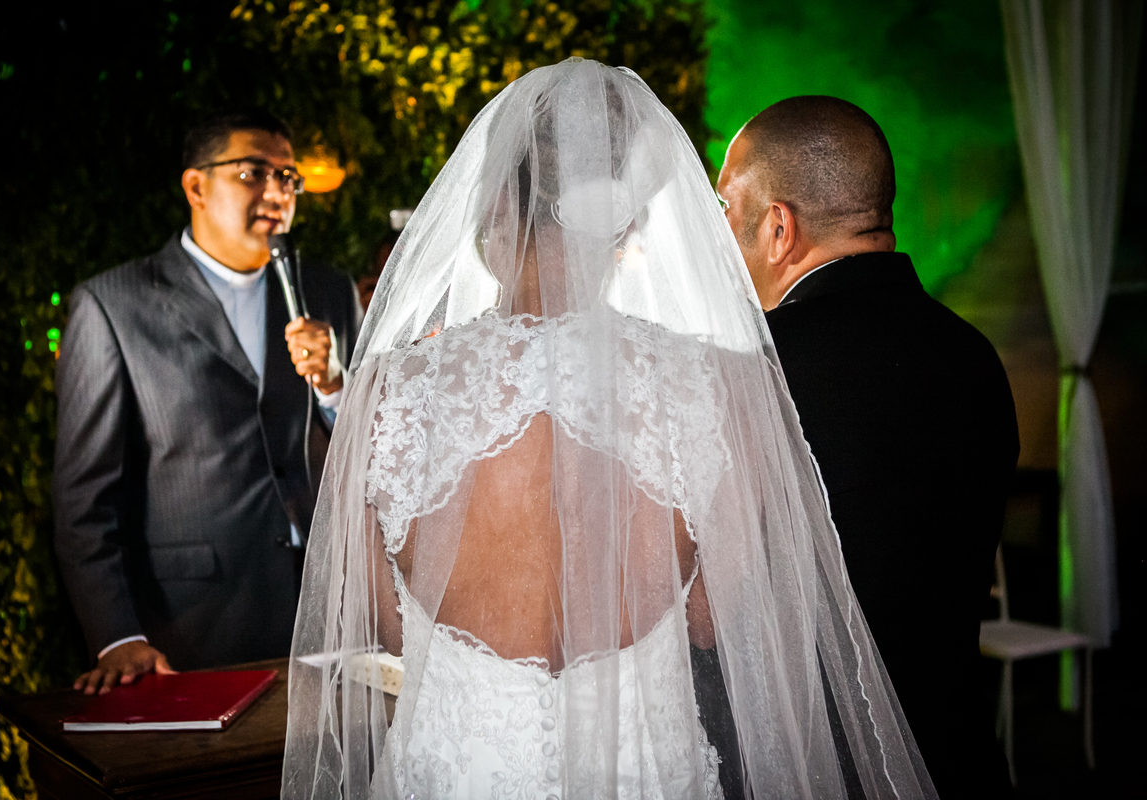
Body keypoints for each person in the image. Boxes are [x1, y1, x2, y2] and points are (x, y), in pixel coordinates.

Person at [283, 60, 937, 800]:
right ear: (624, 221)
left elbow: (382, 622)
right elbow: (709, 622)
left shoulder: (383, 393)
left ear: (490, 203)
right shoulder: (723, 386)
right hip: (648, 775)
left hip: (453, 770)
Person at [716, 96, 1020, 798]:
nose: (722, 237)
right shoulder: (973, 355)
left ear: (778, 226)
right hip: (959, 758)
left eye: (727, 211)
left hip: (819, 767)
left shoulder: (758, 372)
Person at [54, 110, 361, 693]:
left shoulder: (328, 290)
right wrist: (118, 637)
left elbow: (379, 451)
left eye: (288, 177)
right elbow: (83, 500)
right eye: (253, 173)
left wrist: (334, 387)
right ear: (196, 186)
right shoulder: (114, 306)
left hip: (330, 614)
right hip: (190, 626)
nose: (277, 192)